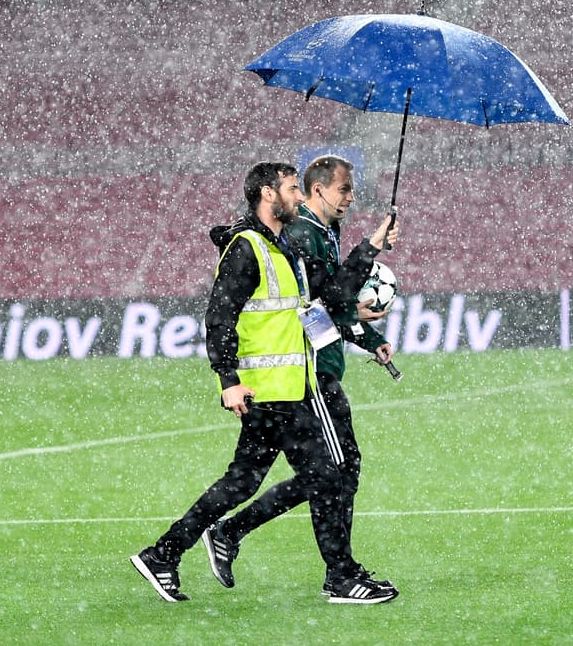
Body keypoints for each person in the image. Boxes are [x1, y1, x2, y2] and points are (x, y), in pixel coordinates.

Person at [129, 161, 398, 605]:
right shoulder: (247, 247)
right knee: (329, 478)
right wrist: (227, 380)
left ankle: (164, 553)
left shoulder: (280, 248)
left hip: (281, 388)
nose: (298, 197)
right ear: (268, 194)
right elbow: (219, 316)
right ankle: (341, 577)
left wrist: (370, 248)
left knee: (242, 482)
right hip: (271, 391)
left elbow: (326, 298)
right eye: (293, 189)